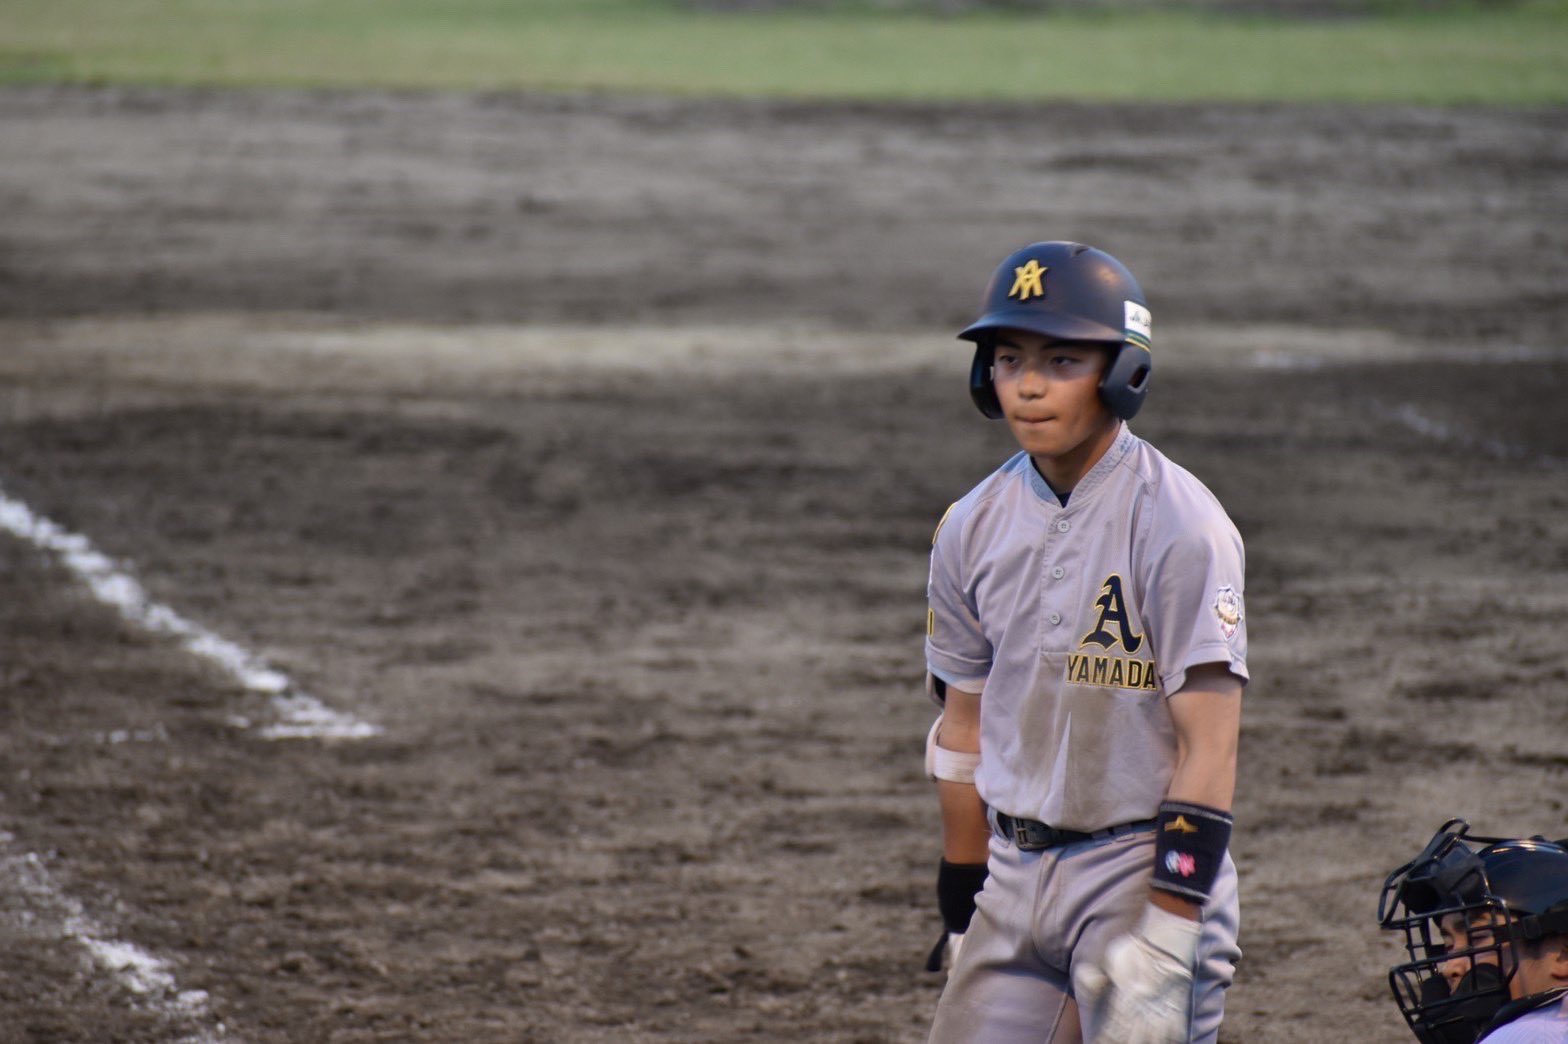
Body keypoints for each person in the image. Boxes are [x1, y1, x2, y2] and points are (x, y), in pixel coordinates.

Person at [921, 241, 1247, 1043]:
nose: (1028, 384)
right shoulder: (970, 527)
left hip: (1139, 874)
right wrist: (963, 909)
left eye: (1061, 359)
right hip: (1012, 875)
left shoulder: (1180, 525)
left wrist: (1171, 926)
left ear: (1119, 375)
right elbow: (961, 737)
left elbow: (1211, 746)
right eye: (1008, 358)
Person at [1379, 819, 1568, 1043]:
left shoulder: (1527, 1034)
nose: (1450, 968)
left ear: (1564, 954)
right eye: (1449, 946)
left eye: (1477, 938)